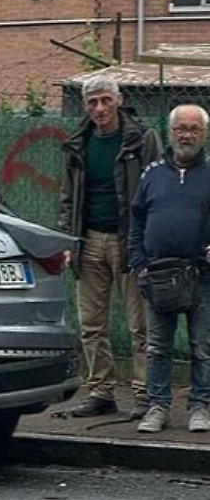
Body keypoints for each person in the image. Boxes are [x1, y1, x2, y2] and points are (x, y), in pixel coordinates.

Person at [57, 75, 161, 419]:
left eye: (105, 100)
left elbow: (157, 189)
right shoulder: (79, 142)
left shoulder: (142, 138)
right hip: (88, 240)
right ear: (85, 107)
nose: (99, 108)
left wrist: (149, 241)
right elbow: (68, 196)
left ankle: (145, 393)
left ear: (119, 100)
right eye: (92, 102)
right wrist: (68, 239)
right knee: (91, 324)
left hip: (130, 241)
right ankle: (101, 392)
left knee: (140, 324)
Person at [127, 104, 210, 434]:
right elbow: (136, 220)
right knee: (157, 348)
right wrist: (139, 265)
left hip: (202, 276)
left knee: (202, 347)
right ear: (170, 132)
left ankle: (200, 406)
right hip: (158, 276)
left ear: (204, 134)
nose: (186, 135)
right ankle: (157, 406)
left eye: (194, 129)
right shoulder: (152, 174)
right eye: (181, 128)